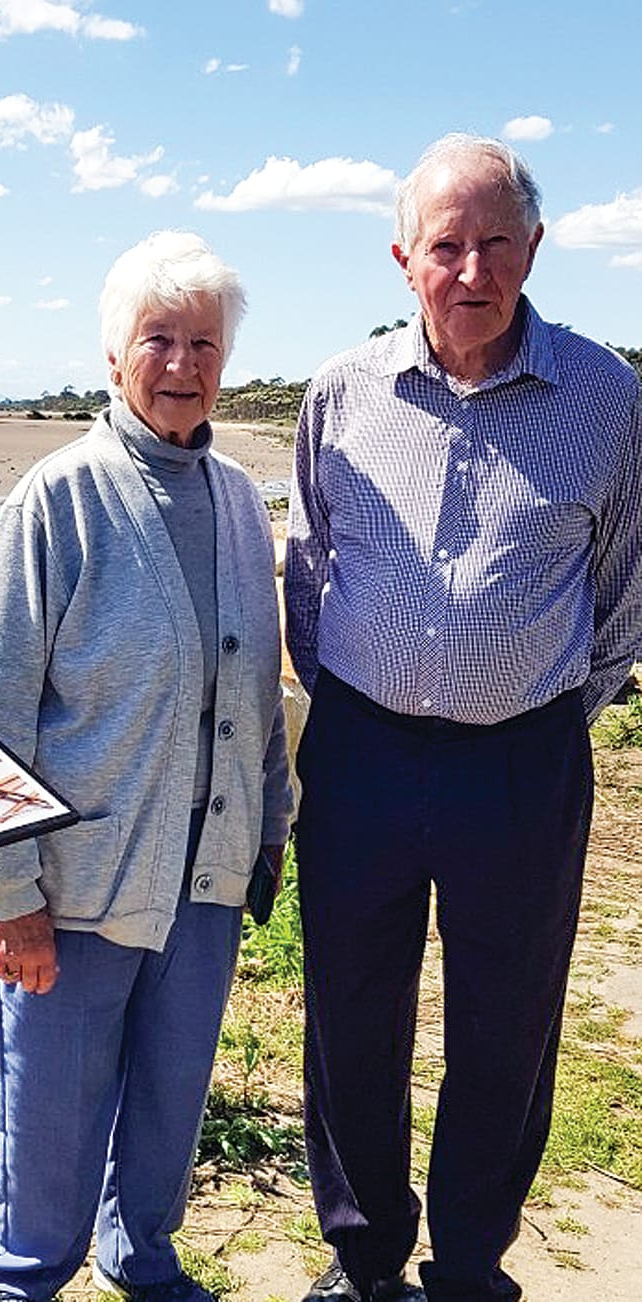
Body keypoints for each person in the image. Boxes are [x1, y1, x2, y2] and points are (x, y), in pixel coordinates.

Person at [284, 132, 642, 1302]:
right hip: (362, 757)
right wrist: (354, 691)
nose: (473, 270)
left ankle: (473, 1260)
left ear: (534, 246)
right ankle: (364, 1255)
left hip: (521, 767)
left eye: (497, 243)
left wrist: (540, 709)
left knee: (508, 1021)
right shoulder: (342, 393)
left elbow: (627, 587)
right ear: (404, 259)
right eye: (448, 246)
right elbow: (311, 563)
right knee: (349, 1012)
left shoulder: (609, 399)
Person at [0, 230, 293, 1302]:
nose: (183, 363)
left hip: (203, 880)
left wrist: (269, 832)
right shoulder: (57, 500)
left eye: (203, 341)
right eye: (159, 338)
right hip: (77, 888)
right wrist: (11, 897)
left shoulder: (239, 500)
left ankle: (142, 1257)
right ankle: (20, 1283)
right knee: (47, 1133)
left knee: (166, 1108)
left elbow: (254, 689)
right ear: (114, 355)